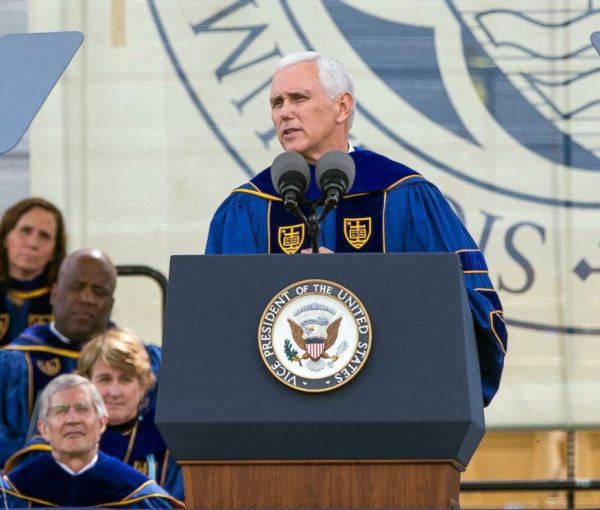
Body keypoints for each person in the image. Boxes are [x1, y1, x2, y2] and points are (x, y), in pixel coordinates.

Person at [205, 51, 508, 406]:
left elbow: (464, 310)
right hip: (276, 417)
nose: (284, 112)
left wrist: (355, 282)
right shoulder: (249, 207)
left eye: (299, 98)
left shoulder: (403, 194)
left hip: (393, 410)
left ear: (342, 107)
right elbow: (218, 325)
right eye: (276, 103)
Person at [0, 249, 161, 465]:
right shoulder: (13, 364)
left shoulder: (144, 360)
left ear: (111, 304)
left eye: (99, 291)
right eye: (77, 287)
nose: (87, 298)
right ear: (55, 294)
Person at [0, 374, 183, 508]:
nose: (72, 419)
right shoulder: (12, 495)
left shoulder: (141, 498)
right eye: (60, 410)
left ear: (102, 423)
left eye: (83, 408)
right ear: (43, 429)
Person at [0, 197, 67, 345]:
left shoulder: (66, 301)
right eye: (25, 231)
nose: (33, 243)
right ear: (5, 238)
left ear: (54, 251)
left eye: (44, 236)